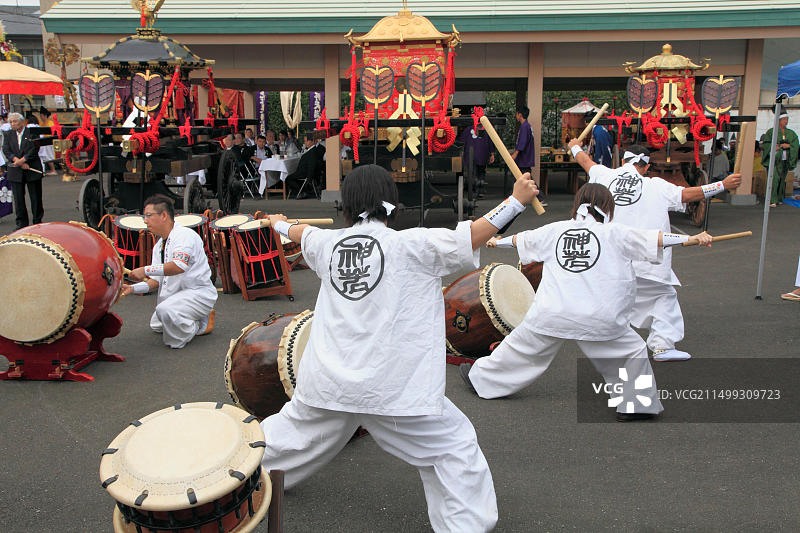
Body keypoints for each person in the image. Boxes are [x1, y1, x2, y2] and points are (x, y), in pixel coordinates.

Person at [259, 164, 540, 532]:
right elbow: (475, 233)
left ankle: (227, 486)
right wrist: (516, 201)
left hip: (327, 385)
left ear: (347, 204)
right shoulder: (414, 244)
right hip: (395, 391)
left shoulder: (326, 244)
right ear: (390, 202)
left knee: (278, 443)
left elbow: (299, 230)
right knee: (453, 448)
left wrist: (277, 222)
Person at [461, 183, 713, 421]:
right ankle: (636, 406)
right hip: (599, 317)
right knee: (630, 352)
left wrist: (495, 241)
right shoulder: (617, 233)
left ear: (577, 204)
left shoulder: (554, 229)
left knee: (520, 349)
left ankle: (482, 380)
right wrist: (690, 239)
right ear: (608, 207)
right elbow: (656, 238)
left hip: (552, 312)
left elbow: (520, 239)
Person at [569, 140, 741, 362]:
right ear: (647, 167)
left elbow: (584, 160)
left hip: (611, 256)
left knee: (612, 298)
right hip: (647, 255)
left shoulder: (603, 175)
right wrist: (723, 185)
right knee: (662, 297)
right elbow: (689, 195)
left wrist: (574, 146)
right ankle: (662, 345)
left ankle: (604, 341)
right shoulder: (657, 186)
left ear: (623, 161)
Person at [121, 195, 217, 349]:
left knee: (166, 316)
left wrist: (145, 270)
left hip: (197, 294)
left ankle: (199, 326)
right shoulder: (159, 246)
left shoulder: (185, 236)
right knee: (157, 324)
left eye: (148, 216)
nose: (145, 221)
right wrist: (132, 288)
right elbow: (155, 281)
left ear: (164, 215)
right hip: (177, 297)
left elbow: (178, 266)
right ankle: (195, 317)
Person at [2, 112, 43, 229]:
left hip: (31, 167)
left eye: (15, 121)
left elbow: (35, 148)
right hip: (15, 169)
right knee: (18, 198)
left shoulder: (31, 133)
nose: (12, 124)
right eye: (10, 122)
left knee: (35, 197)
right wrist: (16, 160)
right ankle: (21, 223)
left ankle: (37, 221)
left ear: (22, 122)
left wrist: (24, 160)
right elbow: (6, 149)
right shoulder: (8, 134)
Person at [761, 105, 799, 207]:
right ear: (779, 120)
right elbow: (766, 145)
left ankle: (779, 198)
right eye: (784, 119)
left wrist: (789, 146)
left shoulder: (791, 133)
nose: (786, 121)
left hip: (785, 159)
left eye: (787, 119)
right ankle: (772, 199)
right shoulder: (771, 132)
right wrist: (776, 147)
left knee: (782, 179)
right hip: (775, 159)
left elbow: (795, 145)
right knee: (774, 179)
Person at [511, 105, 546, 207]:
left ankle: (540, 197)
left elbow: (522, 143)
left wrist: (515, 154)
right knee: (522, 178)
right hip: (525, 157)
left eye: (517, 114)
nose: (516, 116)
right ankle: (517, 198)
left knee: (526, 179)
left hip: (524, 158)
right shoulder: (527, 126)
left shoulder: (525, 127)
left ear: (519, 115)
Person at [458, 124, 494, 196]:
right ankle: (480, 190)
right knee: (481, 172)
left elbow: (461, 142)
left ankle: (474, 190)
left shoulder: (468, 129)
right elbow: (491, 142)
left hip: (470, 155)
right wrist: (492, 154)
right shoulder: (487, 129)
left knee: (472, 173)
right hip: (482, 154)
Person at [284, 133, 321, 197]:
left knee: (288, 178)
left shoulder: (313, 151)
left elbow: (312, 165)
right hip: (303, 172)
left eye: (306, 141)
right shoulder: (312, 150)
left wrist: (309, 177)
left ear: (311, 141)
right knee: (290, 176)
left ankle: (301, 191)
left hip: (304, 173)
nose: (305, 143)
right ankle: (301, 191)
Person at [37, 107, 57, 176]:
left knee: (49, 156)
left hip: (49, 141)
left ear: (45, 115)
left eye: (41, 116)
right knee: (46, 156)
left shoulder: (50, 123)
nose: (41, 117)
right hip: (44, 142)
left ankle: (53, 170)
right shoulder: (43, 123)